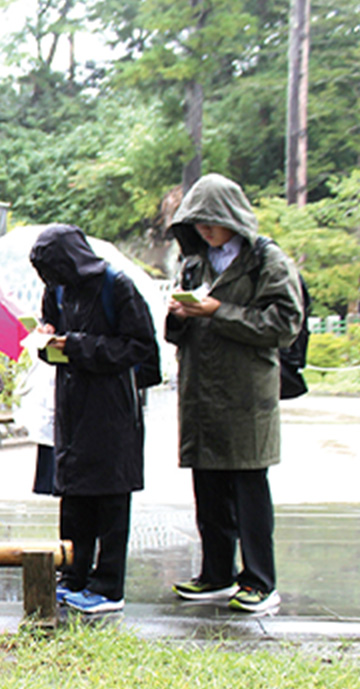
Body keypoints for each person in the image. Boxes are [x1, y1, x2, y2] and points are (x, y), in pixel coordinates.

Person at [166, 173, 304, 614]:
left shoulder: (267, 260)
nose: (205, 230)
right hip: (200, 392)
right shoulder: (195, 262)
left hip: (246, 394)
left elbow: (283, 324)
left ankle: (260, 580)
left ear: (233, 217)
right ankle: (216, 574)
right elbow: (177, 333)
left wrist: (217, 311)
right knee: (207, 487)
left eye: (212, 221)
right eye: (198, 222)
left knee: (248, 486)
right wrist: (179, 315)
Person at [30, 224, 159, 614]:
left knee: (110, 497)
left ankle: (108, 584)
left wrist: (79, 346)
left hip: (111, 405)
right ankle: (73, 574)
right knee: (73, 496)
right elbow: (51, 324)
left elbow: (139, 345)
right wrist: (44, 337)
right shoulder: (57, 288)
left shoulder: (116, 285)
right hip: (71, 401)